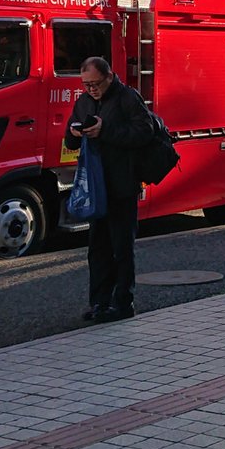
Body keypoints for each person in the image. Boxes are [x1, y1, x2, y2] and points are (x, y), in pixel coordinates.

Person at [65, 56, 154, 321]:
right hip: (95, 184)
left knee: (121, 247)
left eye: (95, 84)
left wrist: (105, 130)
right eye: (85, 85)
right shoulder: (83, 102)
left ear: (110, 76)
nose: (91, 89)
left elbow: (144, 132)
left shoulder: (128, 98)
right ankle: (99, 303)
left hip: (122, 183)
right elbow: (69, 141)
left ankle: (123, 303)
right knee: (98, 247)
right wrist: (74, 133)